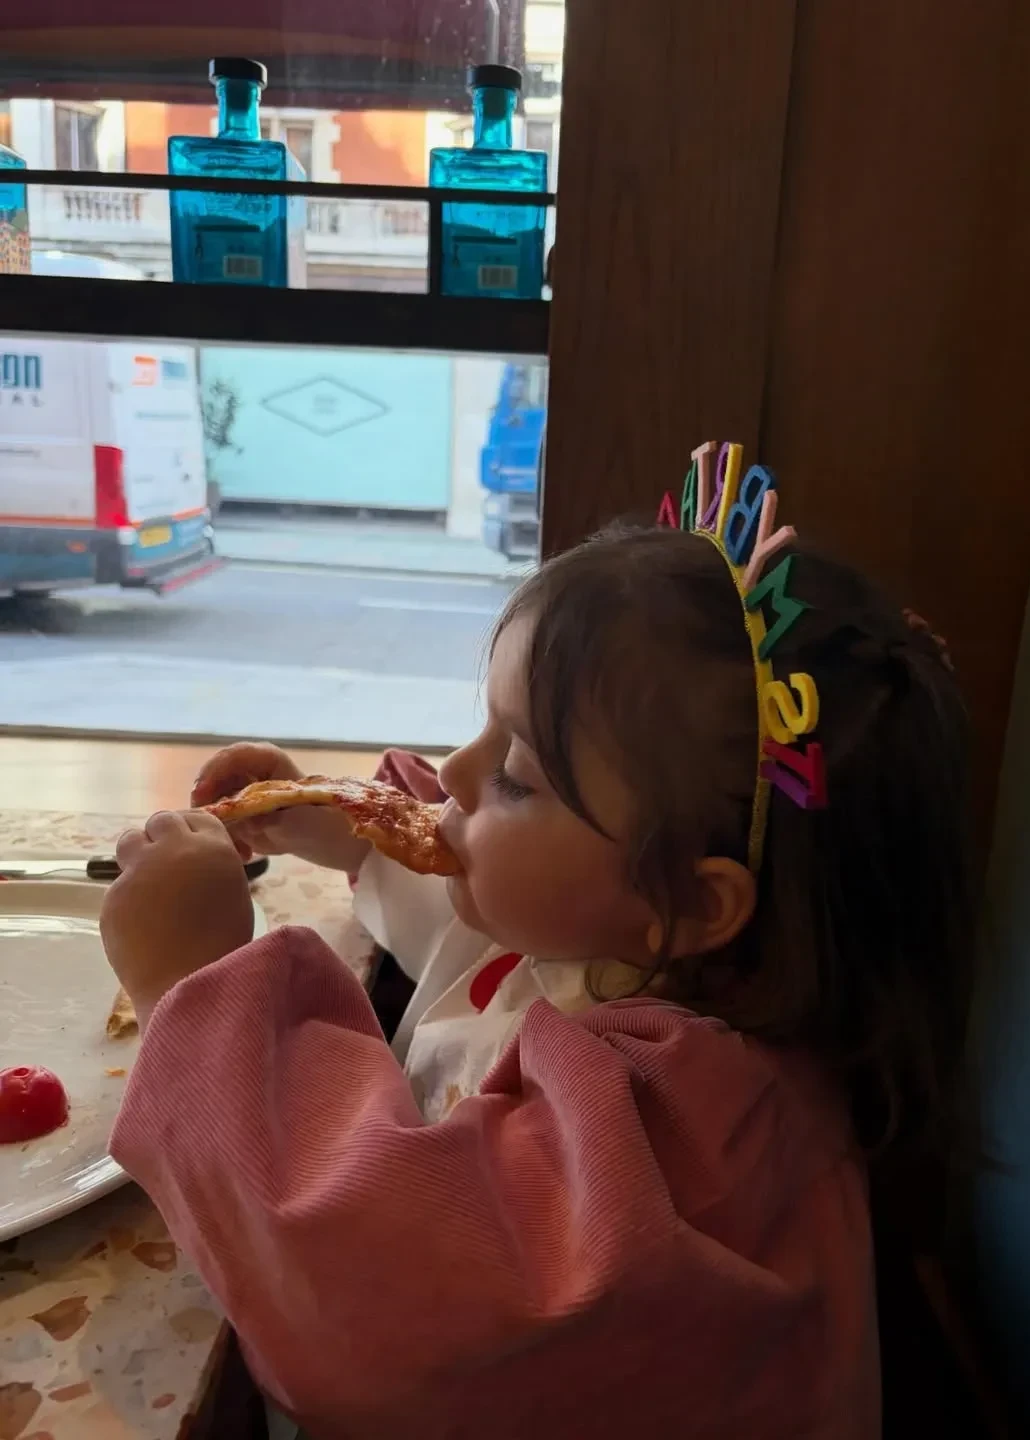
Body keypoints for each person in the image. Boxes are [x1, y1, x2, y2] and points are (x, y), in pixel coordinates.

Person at [100, 513, 972, 1440]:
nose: (455, 771)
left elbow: (375, 1292)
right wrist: (347, 828)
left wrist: (196, 980)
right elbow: (493, 926)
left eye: (516, 773)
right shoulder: (640, 946)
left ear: (691, 899)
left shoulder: (680, 1136)